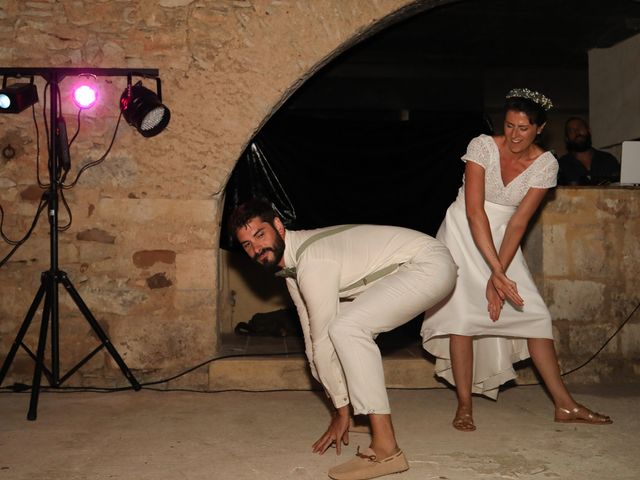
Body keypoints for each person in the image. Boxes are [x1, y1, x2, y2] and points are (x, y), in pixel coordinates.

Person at [421, 88, 612, 432]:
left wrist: (501, 273)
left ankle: (565, 405)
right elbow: (475, 212)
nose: (514, 135)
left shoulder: (546, 164)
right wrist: (495, 273)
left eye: (523, 128)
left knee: (535, 315)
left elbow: (519, 223)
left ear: (539, 128)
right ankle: (464, 405)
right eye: (509, 125)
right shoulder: (482, 146)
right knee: (463, 316)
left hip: (505, 242)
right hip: (464, 232)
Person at [229, 199, 457, 480]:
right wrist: (340, 403)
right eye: (247, 244)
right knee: (342, 328)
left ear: (278, 225)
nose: (256, 248)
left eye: (260, 234)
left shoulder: (313, 261)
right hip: (412, 267)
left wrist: (339, 410)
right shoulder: (294, 270)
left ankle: (386, 449)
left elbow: (323, 340)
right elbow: (312, 343)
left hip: (428, 264)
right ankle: (365, 414)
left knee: (347, 328)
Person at [557, 117, 620, 185]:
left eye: (580, 127)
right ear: (567, 138)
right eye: (571, 130)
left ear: (589, 130)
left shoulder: (608, 160)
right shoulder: (561, 166)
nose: (577, 132)